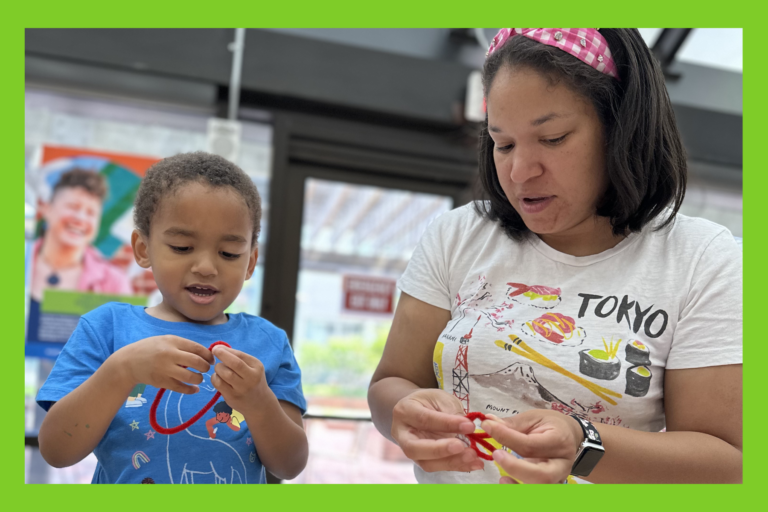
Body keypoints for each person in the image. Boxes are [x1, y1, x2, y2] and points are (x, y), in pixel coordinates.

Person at [368, 28, 742, 484]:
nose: (520, 171)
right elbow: (390, 385)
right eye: (502, 143)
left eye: (553, 138)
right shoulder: (458, 234)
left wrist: (584, 443)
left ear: (622, 128)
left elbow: (728, 464)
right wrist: (404, 413)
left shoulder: (701, 258)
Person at [36, 152, 308, 484]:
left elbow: (289, 465)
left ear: (250, 262)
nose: (206, 267)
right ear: (143, 248)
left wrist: (260, 402)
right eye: (182, 247)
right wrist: (122, 371)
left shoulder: (268, 342)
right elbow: (56, 450)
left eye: (229, 253)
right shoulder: (106, 328)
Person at [28, 169, 132, 339]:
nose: (81, 218)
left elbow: (122, 344)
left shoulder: (115, 282)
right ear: (47, 209)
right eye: (73, 207)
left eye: (91, 212)